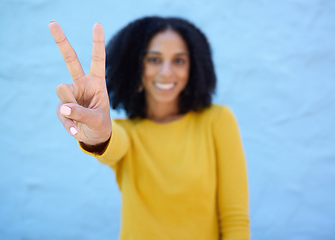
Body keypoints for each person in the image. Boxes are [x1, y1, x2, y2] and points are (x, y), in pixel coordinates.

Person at [49, 16, 250, 240]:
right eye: (154, 59)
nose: (166, 72)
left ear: (194, 67)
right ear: (136, 65)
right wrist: (99, 135)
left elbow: (235, 220)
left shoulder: (217, 121)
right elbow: (113, 140)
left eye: (179, 61)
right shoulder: (127, 133)